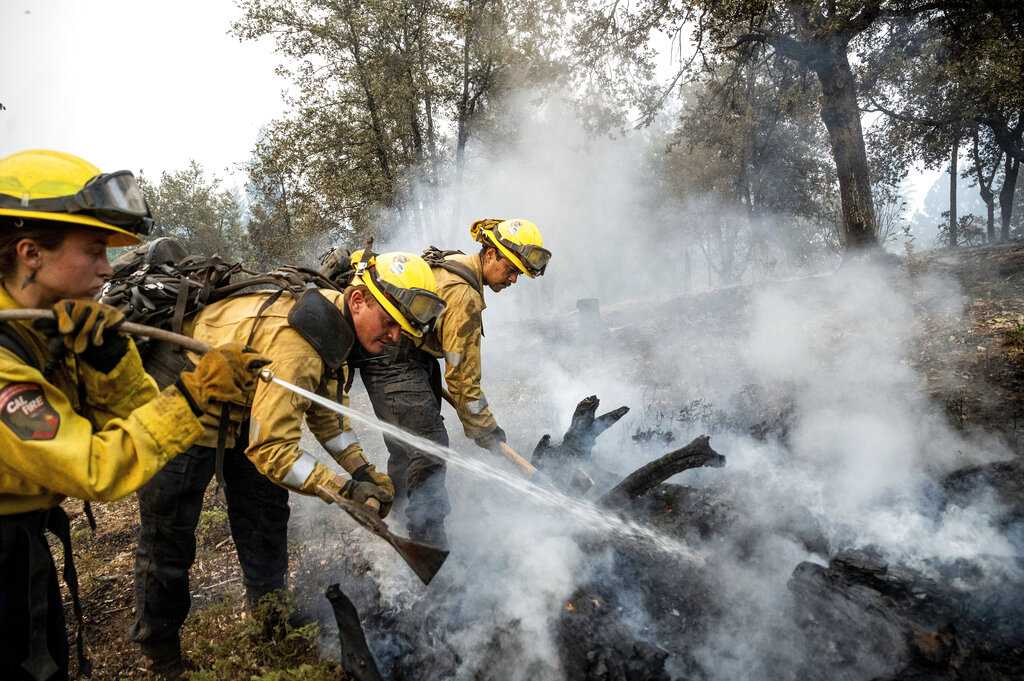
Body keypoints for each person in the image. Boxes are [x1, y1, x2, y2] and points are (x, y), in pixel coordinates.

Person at [0, 149, 267, 681]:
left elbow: (142, 416)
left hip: (22, 547)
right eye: (95, 249)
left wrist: (107, 361)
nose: (107, 267)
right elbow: (95, 470)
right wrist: (194, 399)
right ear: (30, 251)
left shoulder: (37, 329)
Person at [131, 248, 446, 678]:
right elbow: (272, 450)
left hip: (242, 405)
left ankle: (270, 620)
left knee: (265, 517)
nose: (394, 336)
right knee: (170, 534)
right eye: (389, 321)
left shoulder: (335, 331)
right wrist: (341, 489)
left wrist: (362, 471)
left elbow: (324, 415)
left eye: (403, 329)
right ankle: (160, 649)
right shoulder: (297, 342)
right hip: (181, 401)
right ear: (357, 300)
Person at [350, 218, 550, 546]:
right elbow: (463, 379)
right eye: (512, 269)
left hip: (405, 354)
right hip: (396, 357)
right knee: (429, 446)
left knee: (407, 443)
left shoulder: (454, 262)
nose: (514, 279)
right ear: (491, 254)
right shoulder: (465, 298)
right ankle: (428, 541)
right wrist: (486, 431)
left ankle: (399, 520)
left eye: (520, 274)